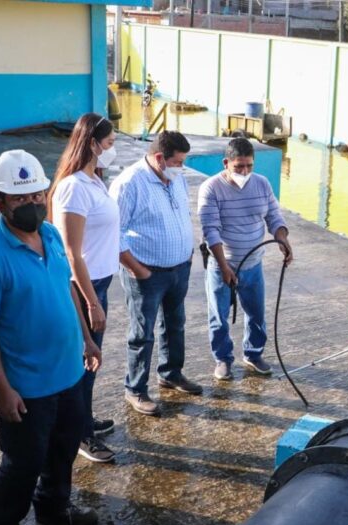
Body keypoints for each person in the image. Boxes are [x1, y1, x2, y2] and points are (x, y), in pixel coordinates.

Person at [0, 150, 102, 525]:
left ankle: (54, 507)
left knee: (64, 448)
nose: (32, 205)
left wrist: (87, 339)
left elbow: (66, 290)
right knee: (23, 461)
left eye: (37, 196)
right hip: (27, 385)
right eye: (20, 199)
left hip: (68, 374)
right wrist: (3, 390)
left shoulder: (53, 235)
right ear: (0, 203)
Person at [109, 131, 201, 417]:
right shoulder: (129, 183)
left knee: (175, 323)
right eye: (177, 162)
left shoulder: (176, 178)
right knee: (142, 333)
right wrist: (137, 269)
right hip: (146, 274)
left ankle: (171, 372)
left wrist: (186, 252)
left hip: (179, 268)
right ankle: (135, 389)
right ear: (160, 158)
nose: (181, 167)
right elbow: (113, 233)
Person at [47, 113, 119, 464]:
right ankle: (80, 435)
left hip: (100, 281)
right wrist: (92, 302)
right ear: (91, 143)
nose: (112, 150)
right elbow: (71, 253)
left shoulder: (94, 180)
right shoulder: (74, 187)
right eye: (108, 144)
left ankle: (83, 419)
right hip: (83, 287)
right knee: (86, 363)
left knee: (91, 364)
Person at [198, 137, 292, 381]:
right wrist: (223, 265)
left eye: (249, 166)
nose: (244, 171)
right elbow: (211, 230)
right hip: (222, 266)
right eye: (238, 167)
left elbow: (274, 216)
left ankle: (253, 353)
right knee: (219, 317)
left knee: (256, 313)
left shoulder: (261, 184)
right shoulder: (211, 188)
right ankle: (223, 359)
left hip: (253, 264)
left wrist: (283, 239)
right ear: (226, 163)